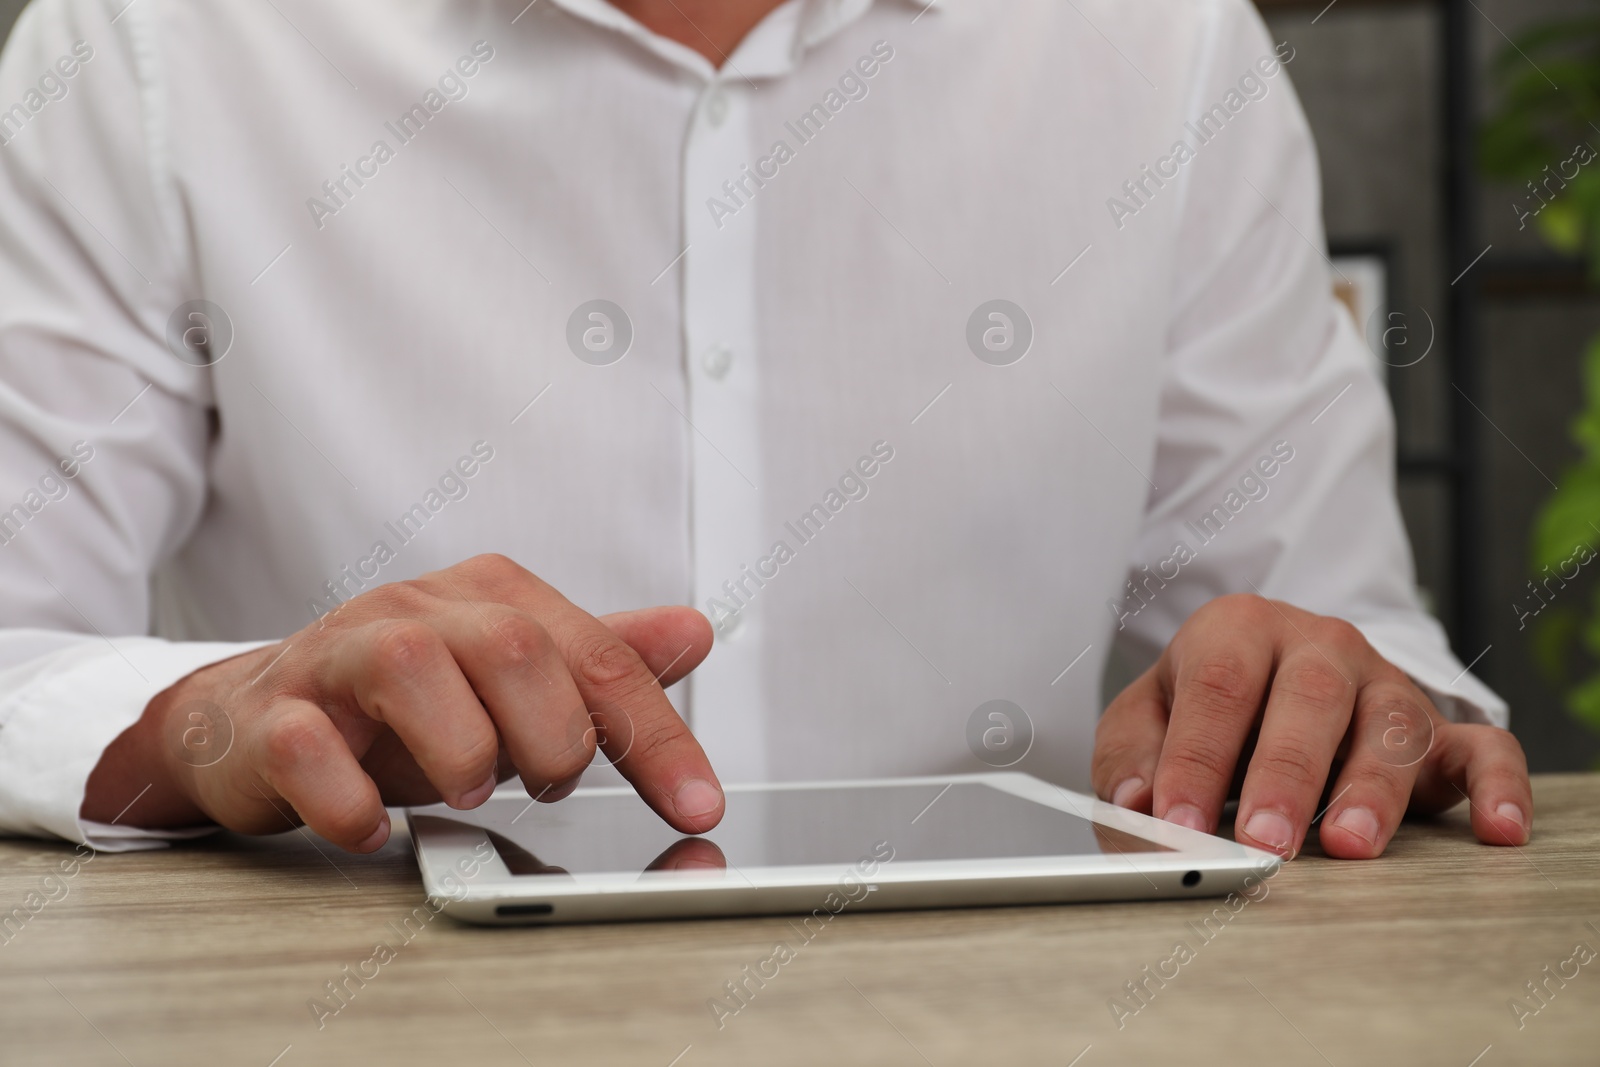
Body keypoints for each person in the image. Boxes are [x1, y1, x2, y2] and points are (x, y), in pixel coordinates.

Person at [0, 0, 1529, 862]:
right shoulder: (152, 46)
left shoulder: (1164, 45)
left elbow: (1364, 659)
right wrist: (215, 720)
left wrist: (1331, 702)